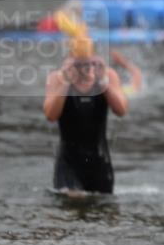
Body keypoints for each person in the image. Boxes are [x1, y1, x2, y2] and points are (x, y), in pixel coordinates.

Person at [43, 38, 128, 194]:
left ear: (95, 58)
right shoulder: (57, 78)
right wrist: (66, 83)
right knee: (72, 200)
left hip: (100, 161)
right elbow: (50, 115)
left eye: (87, 62)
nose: (83, 68)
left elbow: (121, 110)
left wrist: (103, 82)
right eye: (78, 63)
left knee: (102, 204)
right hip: (68, 163)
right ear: (69, 58)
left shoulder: (108, 76)